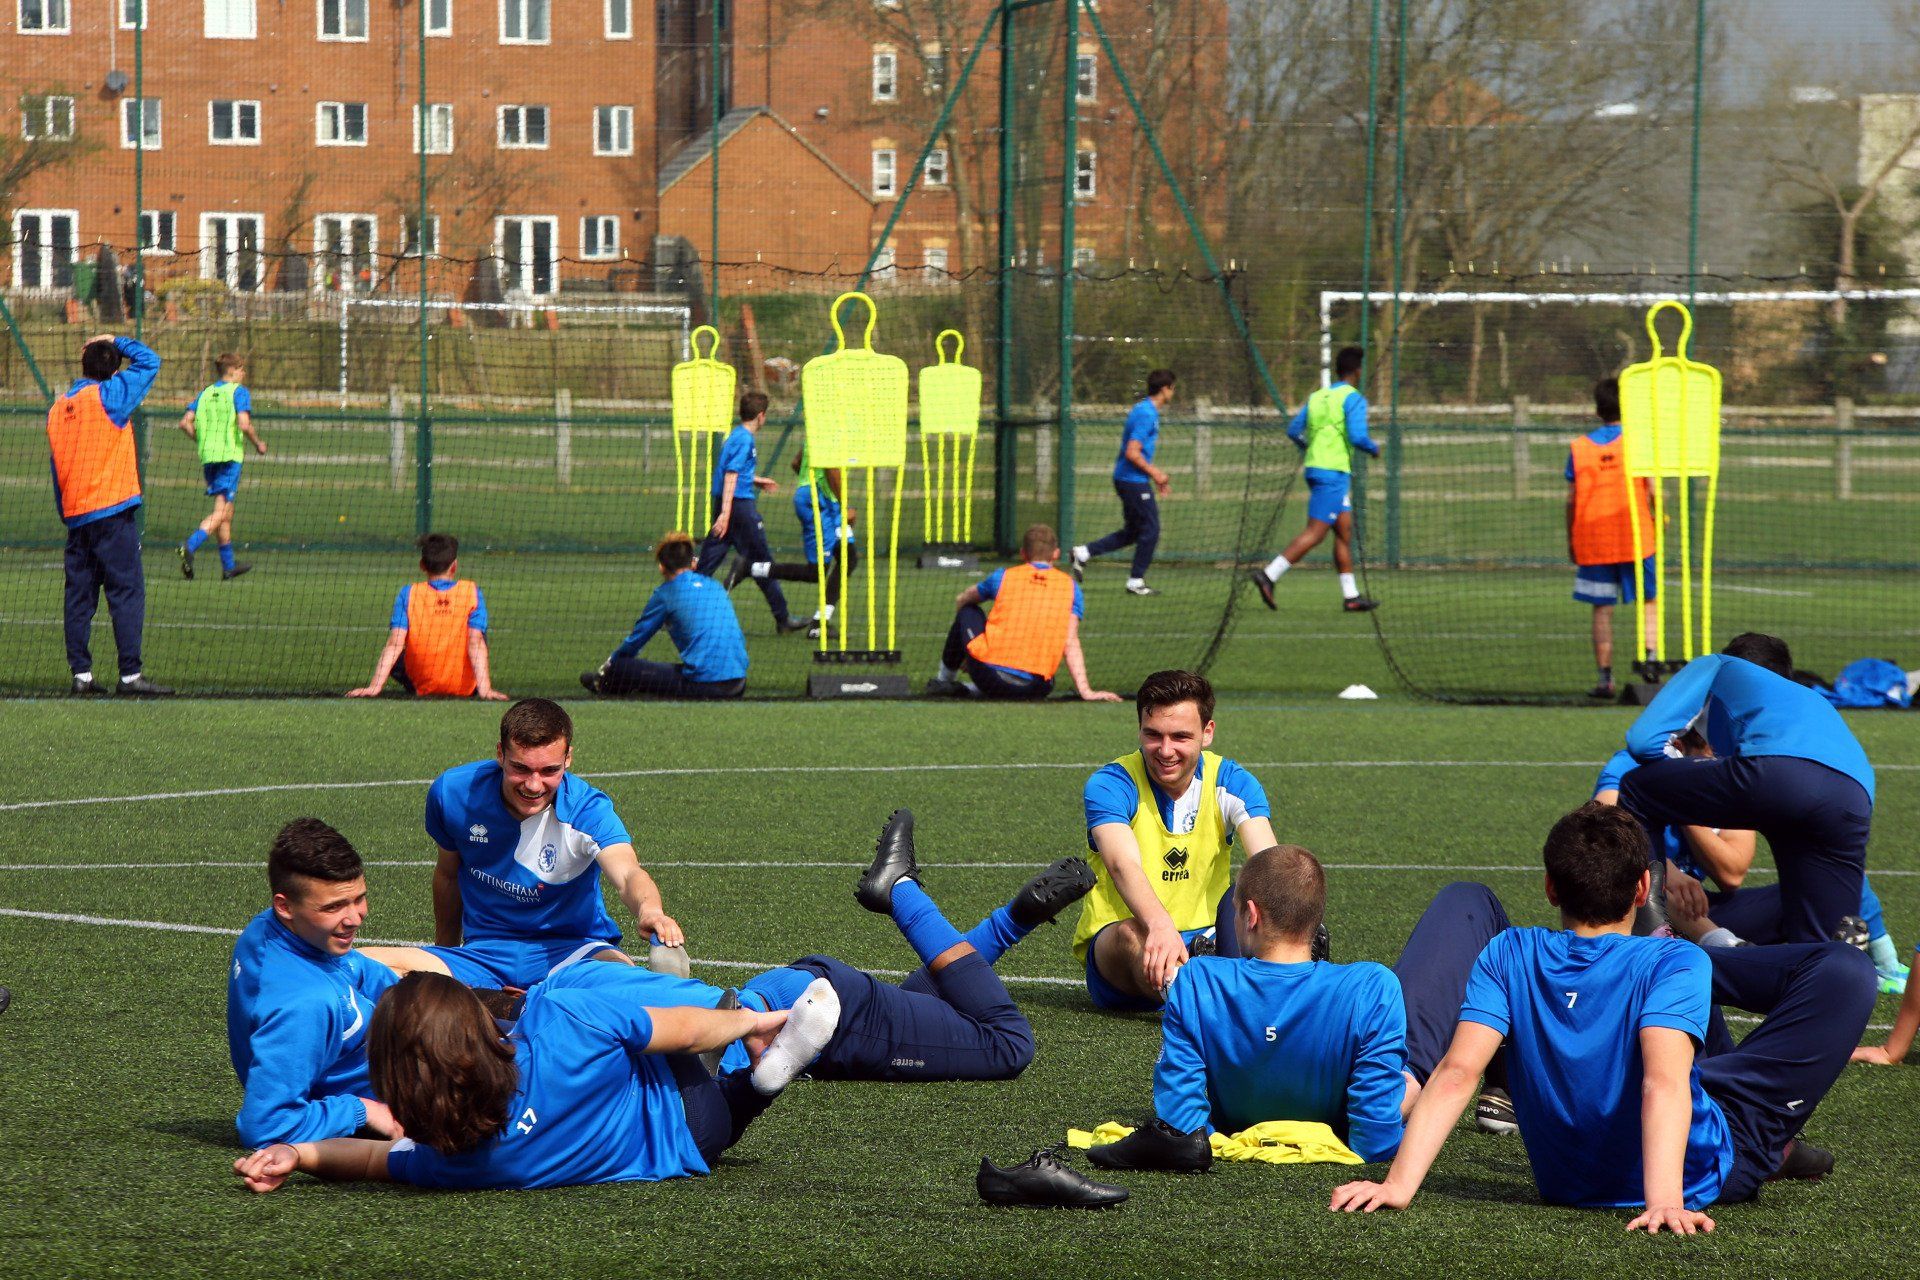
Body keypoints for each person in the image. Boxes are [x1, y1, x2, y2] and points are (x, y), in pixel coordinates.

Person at [1328, 803, 1876, 1229]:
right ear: (1643, 888)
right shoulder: (1673, 961)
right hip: (1703, 1165)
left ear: (1549, 889)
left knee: (1682, 1001)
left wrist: (1397, 1186)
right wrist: (1665, 1201)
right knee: (1845, 971)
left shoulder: (1508, 951)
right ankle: (1770, 1139)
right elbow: (1661, 1085)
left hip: (1567, 1182)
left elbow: (1456, 1073)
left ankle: (1698, 987)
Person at [231, 966, 838, 1193]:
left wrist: (301, 1153)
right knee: (570, 990)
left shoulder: (445, 1164)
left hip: (699, 1142)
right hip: (675, 1089)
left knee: (701, 1107)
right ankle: (761, 1048)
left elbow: (367, 1163)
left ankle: (762, 1086)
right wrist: (749, 1020)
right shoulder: (556, 1030)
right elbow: (677, 1031)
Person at [356, 699, 687, 989]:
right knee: (357, 967)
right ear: (500, 754)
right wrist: (446, 959)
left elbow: (628, 873)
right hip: (485, 954)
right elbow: (447, 875)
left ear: (568, 759)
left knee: (628, 987)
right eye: (520, 768)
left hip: (575, 952)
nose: (533, 784)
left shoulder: (589, 811)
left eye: (549, 770)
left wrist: (651, 910)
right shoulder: (454, 794)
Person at [1618, 632, 1875, 945]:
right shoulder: (1813, 700)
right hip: (1855, 794)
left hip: (1778, 774)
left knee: (1636, 788)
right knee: (1818, 944)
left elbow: (1642, 742)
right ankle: (1856, 961)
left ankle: (1652, 932)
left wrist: (1671, 771)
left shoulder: (1719, 665)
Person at [1595, 746, 1906, 991]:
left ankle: (1870, 968)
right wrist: (1668, 869)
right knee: (1653, 880)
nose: (1717, 754)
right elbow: (1605, 822)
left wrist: (1682, 807)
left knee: (1834, 879)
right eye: (1709, 747)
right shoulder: (1632, 764)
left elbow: (1732, 872)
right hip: (1644, 913)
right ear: (1681, 742)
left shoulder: (1729, 773)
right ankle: (1729, 949)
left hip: (1700, 908)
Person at [1073, 669, 1276, 1011]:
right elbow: (1123, 864)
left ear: (1206, 733)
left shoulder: (1232, 782)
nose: (1165, 750)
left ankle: (1232, 985)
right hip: (1126, 945)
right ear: (1139, 729)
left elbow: (1270, 864)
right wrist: (1160, 926)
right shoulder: (1110, 784)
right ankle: (1210, 1001)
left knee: (1258, 891)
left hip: (1209, 941)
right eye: (1153, 735)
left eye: (1180, 737)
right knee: (1127, 935)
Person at [226, 818, 402, 1148]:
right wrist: (362, 1110)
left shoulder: (282, 931)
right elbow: (265, 1126)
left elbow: (360, 969)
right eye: (334, 907)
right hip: (416, 1092)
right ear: (285, 906)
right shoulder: (303, 1003)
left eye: (358, 899)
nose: (354, 918)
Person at [48, 332, 171, 696]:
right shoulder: (111, 396)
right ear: (115, 368)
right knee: (127, 591)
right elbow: (150, 362)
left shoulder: (58, 409)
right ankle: (130, 676)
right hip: (112, 514)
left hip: (78, 517)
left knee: (79, 597)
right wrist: (116, 338)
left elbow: (58, 471)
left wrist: (68, 513)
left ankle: (81, 676)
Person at [1249, 345, 1380, 613]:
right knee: (1316, 533)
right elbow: (1357, 437)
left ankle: (1351, 596)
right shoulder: (1353, 398)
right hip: (1333, 473)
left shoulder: (1318, 396)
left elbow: (1294, 430)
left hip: (1316, 469)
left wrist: (1311, 448)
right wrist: (1373, 448)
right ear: (1357, 371)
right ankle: (1269, 575)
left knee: (1344, 531)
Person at [925, 523, 1120, 702]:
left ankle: (944, 680)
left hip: (988, 675)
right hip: (1037, 687)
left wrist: (968, 651)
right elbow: (1070, 642)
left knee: (969, 609)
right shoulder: (1071, 588)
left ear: (1022, 554)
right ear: (1056, 554)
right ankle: (968, 689)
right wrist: (1086, 691)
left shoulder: (1003, 576)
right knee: (1035, 677)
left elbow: (963, 599)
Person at [1564, 377, 1657, 699]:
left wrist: (1571, 539)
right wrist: (1659, 521)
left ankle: (1605, 679)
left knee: (1602, 609)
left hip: (1593, 540)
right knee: (1649, 600)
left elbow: (1572, 499)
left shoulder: (1580, 447)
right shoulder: (1640, 444)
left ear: (1597, 409)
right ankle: (1651, 663)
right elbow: (1655, 491)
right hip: (1636, 537)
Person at [580, 532, 748, 699]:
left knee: (622, 666)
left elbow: (637, 640)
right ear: (693, 563)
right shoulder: (714, 585)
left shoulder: (666, 594)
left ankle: (602, 683)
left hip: (705, 686)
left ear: (661, 566)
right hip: (739, 683)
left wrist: (611, 664)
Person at [695, 390, 806, 634]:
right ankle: (783, 619)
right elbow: (731, 476)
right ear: (760, 416)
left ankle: (676, 613)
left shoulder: (735, 436)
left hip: (729, 504)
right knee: (763, 562)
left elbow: (733, 472)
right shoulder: (744, 440)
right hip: (739, 509)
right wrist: (726, 514)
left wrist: (755, 480)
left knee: (705, 565)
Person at [347, 533, 505, 700]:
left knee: (399, 647)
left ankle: (427, 682)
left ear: (422, 565)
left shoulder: (408, 593)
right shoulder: (471, 592)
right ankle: (475, 686)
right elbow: (475, 643)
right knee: (478, 634)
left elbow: (395, 644)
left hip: (420, 684)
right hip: (465, 687)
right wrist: (486, 690)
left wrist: (374, 687)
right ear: (454, 566)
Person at [726, 445, 858, 640]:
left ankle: (819, 623)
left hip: (826, 501)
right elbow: (831, 469)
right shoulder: (833, 429)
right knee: (816, 572)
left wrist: (809, 482)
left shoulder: (820, 428)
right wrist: (845, 504)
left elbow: (796, 462)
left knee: (849, 557)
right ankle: (750, 568)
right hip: (819, 502)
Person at [1071, 369, 1175, 597]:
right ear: (1165, 388)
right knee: (1152, 529)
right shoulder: (1147, 413)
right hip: (1132, 480)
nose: (1172, 393)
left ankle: (1084, 553)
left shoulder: (1145, 410)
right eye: (1172, 388)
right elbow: (1132, 452)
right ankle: (1136, 581)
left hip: (1129, 479)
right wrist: (1156, 473)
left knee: (1133, 532)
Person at [177, 352, 266, 583]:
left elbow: (185, 422)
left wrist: (203, 441)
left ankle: (228, 567)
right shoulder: (238, 392)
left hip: (209, 458)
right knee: (221, 512)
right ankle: (190, 545)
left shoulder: (205, 392)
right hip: (229, 458)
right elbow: (244, 424)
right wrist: (258, 443)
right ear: (233, 370)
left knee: (226, 512)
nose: (244, 374)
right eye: (242, 369)